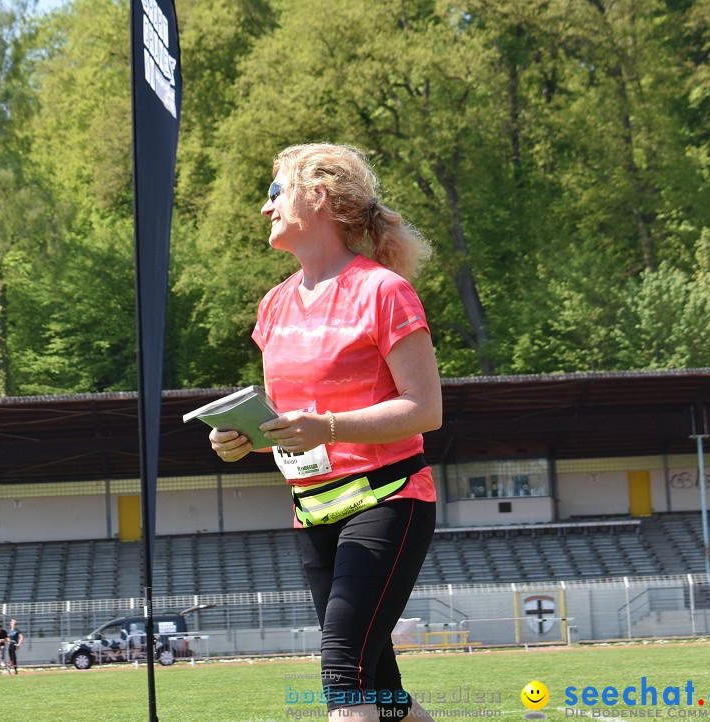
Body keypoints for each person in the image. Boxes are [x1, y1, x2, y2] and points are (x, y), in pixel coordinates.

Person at [208, 144, 442, 721]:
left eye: (274, 193)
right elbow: (285, 423)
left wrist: (327, 426)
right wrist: (240, 439)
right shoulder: (273, 306)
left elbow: (425, 409)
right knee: (383, 692)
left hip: (388, 500)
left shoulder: (384, 291)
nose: (265, 210)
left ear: (318, 197)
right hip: (312, 509)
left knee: (345, 675)